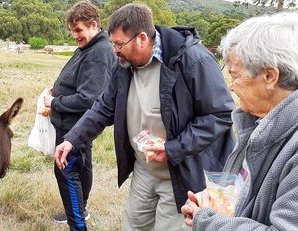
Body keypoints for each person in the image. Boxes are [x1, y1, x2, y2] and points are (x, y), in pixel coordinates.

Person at [54, 3, 235, 230]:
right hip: (144, 170)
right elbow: (103, 107)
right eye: (113, 44)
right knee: (133, 224)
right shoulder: (124, 64)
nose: (114, 51)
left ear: (141, 38)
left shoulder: (193, 60)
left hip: (181, 174)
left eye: (119, 44)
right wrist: (72, 138)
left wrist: (172, 149)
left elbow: (219, 114)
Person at [181, 12, 298, 230]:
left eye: (235, 75)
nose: (231, 86)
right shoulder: (258, 121)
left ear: (270, 76)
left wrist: (208, 221)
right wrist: (215, 203)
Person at [43, 1, 116, 230]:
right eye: (72, 30)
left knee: (66, 171)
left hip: (76, 126)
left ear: (94, 25)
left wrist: (55, 102)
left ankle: (77, 223)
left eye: (78, 30)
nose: (75, 35)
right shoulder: (89, 47)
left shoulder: (98, 52)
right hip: (77, 125)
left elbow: (89, 97)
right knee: (82, 167)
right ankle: (80, 211)